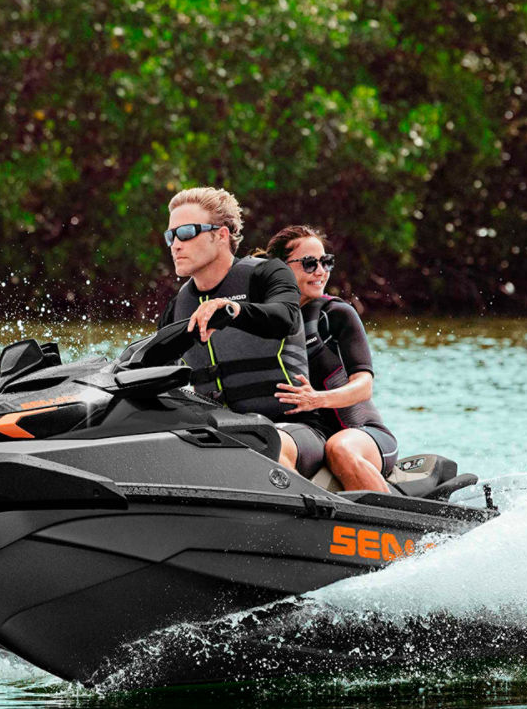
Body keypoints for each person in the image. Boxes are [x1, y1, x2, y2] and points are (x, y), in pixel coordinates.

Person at [155, 187, 327, 475]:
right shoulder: (180, 305)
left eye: (185, 233)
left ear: (221, 235)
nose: (175, 245)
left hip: (293, 428)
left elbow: (285, 316)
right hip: (223, 433)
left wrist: (232, 310)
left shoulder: (267, 274)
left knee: (261, 444)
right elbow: (151, 364)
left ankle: (304, 514)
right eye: (170, 236)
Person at [263, 225, 398, 493]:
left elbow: (363, 386)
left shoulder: (336, 314)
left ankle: (394, 526)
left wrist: (317, 399)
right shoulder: (263, 319)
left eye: (326, 262)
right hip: (309, 437)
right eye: (310, 263)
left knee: (339, 449)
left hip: (362, 434)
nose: (321, 271)